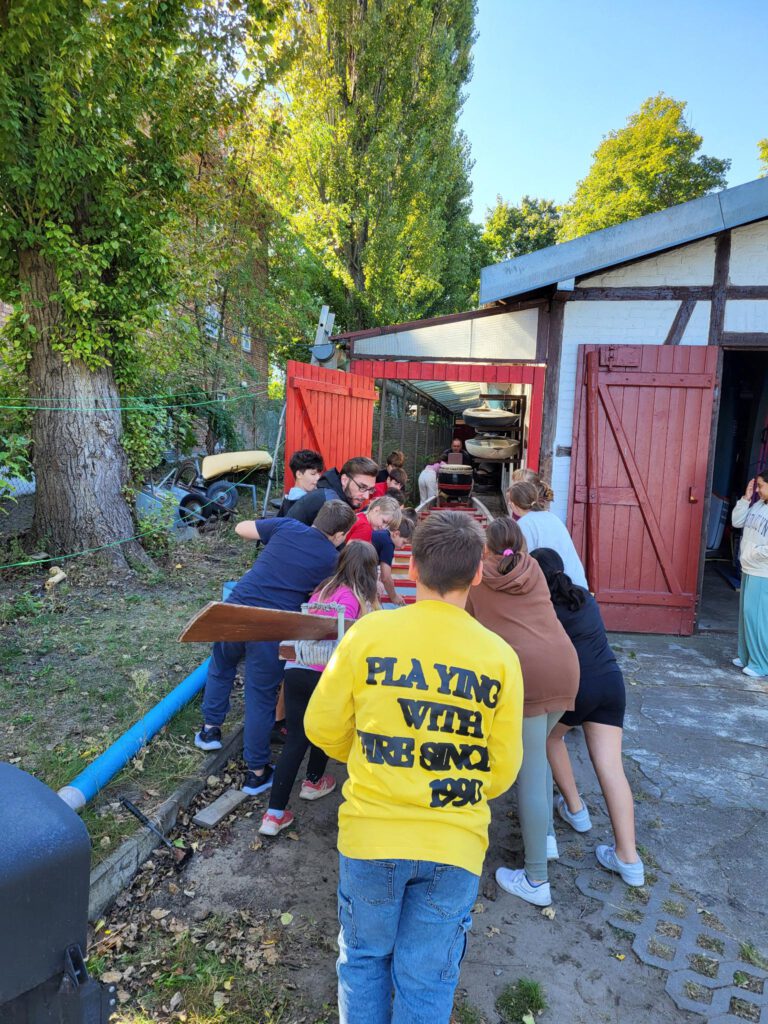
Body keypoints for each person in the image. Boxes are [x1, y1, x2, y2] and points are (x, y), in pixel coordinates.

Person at [305, 511, 524, 1024]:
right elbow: (503, 769)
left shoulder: (367, 635)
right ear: (477, 574)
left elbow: (321, 726)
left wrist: (367, 758)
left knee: (363, 961)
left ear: (413, 567)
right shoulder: (499, 657)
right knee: (427, 977)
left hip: (371, 836)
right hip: (455, 843)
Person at [194, 501, 356, 795]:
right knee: (260, 694)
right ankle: (256, 772)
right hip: (272, 626)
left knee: (221, 667)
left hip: (235, 608)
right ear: (341, 534)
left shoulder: (287, 526)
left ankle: (210, 731)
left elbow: (241, 528)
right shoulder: (332, 559)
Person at [466, 518, 579, 908]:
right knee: (542, 758)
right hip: (565, 664)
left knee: (528, 771)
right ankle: (545, 839)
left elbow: (464, 625)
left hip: (528, 674)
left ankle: (536, 879)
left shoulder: (480, 579)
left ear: (485, 549)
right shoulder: (531, 569)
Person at [530, 548, 645, 888]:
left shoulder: (544, 610)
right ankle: (629, 858)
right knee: (611, 768)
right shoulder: (584, 598)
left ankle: (576, 809)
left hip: (579, 688)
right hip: (612, 683)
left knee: (550, 738)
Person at [259, 542, 381, 836]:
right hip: (325, 673)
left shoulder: (322, 589)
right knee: (325, 729)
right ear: (369, 570)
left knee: (295, 741)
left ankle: (273, 816)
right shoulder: (358, 599)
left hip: (297, 668)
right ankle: (313, 781)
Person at [506, 480, 589, 590]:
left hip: (558, 590)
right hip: (577, 584)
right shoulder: (552, 517)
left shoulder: (523, 524)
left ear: (513, 505)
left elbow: (523, 562)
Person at [731, 472, 768, 678]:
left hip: (763, 572)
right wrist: (745, 499)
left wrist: (752, 555)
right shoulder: (759, 505)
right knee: (746, 615)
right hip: (749, 567)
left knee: (758, 619)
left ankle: (761, 664)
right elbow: (737, 522)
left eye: (761, 486)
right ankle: (746, 657)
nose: (758, 490)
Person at [287, 456, 379, 525]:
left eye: (370, 489)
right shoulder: (331, 503)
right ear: (344, 480)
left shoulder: (332, 494)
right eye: (362, 487)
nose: (366, 496)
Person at [278, 449, 324, 516]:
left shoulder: (288, 500)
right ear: (299, 474)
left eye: (319, 474)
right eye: (313, 474)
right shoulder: (307, 503)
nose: (318, 478)